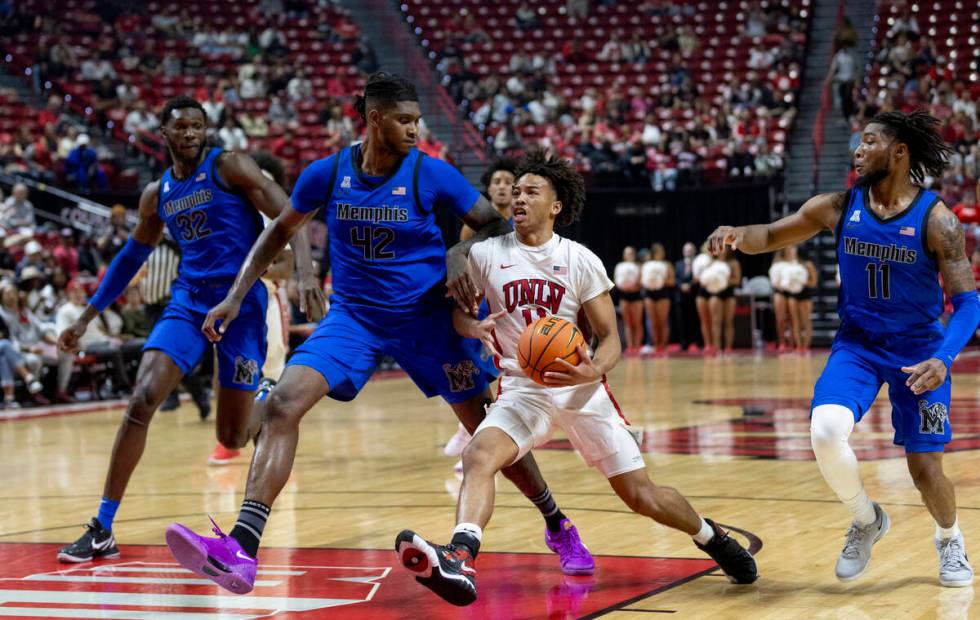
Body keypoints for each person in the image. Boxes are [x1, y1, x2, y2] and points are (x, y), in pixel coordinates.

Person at [164, 72, 593, 594]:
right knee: (280, 405)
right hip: (354, 319)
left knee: (486, 434)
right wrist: (239, 294)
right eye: (405, 120)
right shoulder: (326, 173)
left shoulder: (431, 173)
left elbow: (492, 224)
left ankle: (557, 524)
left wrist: (457, 252)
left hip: (427, 319)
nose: (416, 129)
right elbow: (277, 230)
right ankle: (242, 548)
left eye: (418, 119)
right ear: (373, 120)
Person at [396, 151, 758, 606]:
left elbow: (611, 338)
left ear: (556, 206)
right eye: (517, 192)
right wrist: (475, 326)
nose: (519, 199)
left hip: (582, 390)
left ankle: (711, 536)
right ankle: (460, 555)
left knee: (640, 495)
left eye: (532, 192)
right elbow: (457, 315)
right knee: (478, 456)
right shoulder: (485, 255)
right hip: (523, 388)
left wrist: (595, 367)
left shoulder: (580, 259)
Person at [706, 110, 978, 587]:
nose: (858, 150)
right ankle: (865, 518)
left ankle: (949, 539)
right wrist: (736, 234)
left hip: (920, 353)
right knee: (826, 431)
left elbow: (969, 304)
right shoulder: (836, 205)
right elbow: (769, 234)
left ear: (898, 152)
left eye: (869, 141)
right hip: (857, 346)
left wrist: (943, 358)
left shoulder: (937, 220)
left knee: (924, 470)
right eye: (857, 142)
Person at [55, 95, 324, 564]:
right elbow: (129, 259)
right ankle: (102, 526)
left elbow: (291, 214)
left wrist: (305, 273)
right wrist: (87, 315)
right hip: (188, 302)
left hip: (240, 303)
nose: (191, 134)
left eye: (198, 126)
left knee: (233, 436)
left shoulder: (231, 166)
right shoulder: (157, 194)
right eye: (181, 127)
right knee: (141, 400)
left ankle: (262, 397)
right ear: (164, 133)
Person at [446, 156, 518, 462]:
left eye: (507, 182)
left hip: (516, 298)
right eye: (496, 182)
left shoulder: (523, 217)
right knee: (485, 369)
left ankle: (484, 429)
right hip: (486, 301)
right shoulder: (473, 225)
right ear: (488, 188)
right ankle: (472, 430)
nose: (502, 187)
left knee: (511, 368)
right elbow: (467, 268)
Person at [705, 247, 740, 355]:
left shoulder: (733, 263)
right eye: (719, 249)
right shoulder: (712, 263)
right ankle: (717, 347)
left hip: (729, 294)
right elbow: (705, 279)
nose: (722, 251)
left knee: (728, 322)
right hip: (716, 293)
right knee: (716, 321)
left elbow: (737, 280)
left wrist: (724, 279)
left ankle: (728, 348)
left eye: (724, 248)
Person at [642, 242, 674, 355]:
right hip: (649, 294)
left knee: (662, 321)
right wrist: (649, 281)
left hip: (662, 294)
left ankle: (663, 346)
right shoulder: (647, 264)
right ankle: (656, 347)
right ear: (655, 252)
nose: (663, 253)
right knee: (653, 322)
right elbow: (642, 280)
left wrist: (661, 280)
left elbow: (672, 281)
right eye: (661, 250)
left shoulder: (666, 264)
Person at [614, 246, 644, 354]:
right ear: (624, 255)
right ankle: (631, 347)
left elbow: (642, 282)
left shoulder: (638, 266)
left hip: (636, 296)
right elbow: (617, 281)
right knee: (628, 323)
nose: (629, 255)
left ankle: (637, 346)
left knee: (637, 322)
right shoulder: (620, 266)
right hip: (624, 297)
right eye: (627, 253)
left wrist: (635, 286)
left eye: (631, 253)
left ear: (634, 254)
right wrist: (623, 286)